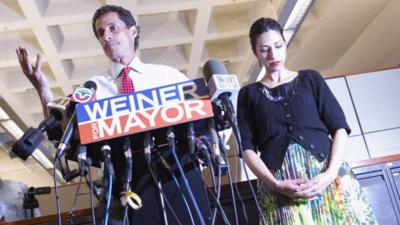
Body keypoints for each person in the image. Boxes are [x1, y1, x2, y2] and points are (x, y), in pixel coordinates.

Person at [16, 5, 211, 225]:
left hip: (179, 180)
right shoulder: (92, 88)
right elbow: (63, 132)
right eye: (101, 33)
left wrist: (203, 153)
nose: (106, 36)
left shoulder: (168, 76)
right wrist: (43, 89)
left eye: (112, 28)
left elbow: (206, 123)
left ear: (133, 31)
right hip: (124, 185)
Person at [237, 17, 378, 225]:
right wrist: (275, 184)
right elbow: (247, 149)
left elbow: (339, 127)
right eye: (265, 49)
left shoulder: (310, 79)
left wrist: (329, 174)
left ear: (285, 45)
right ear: (256, 52)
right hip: (281, 189)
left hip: (327, 177)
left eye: (278, 46)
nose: (273, 54)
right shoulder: (248, 95)